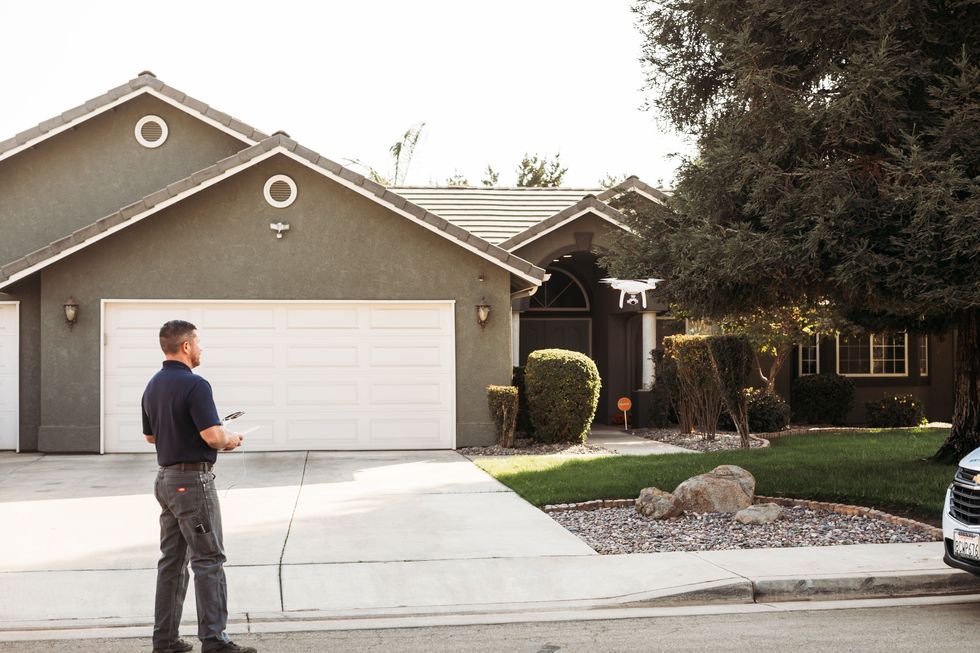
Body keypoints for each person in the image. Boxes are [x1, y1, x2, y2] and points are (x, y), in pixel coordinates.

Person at [142, 320, 256, 653]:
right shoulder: (196, 385)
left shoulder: (153, 385)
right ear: (187, 346)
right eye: (199, 342)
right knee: (209, 559)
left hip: (165, 480)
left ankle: (165, 641)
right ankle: (215, 641)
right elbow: (212, 436)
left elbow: (151, 436)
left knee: (172, 562)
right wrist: (229, 438)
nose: (202, 348)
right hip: (192, 483)